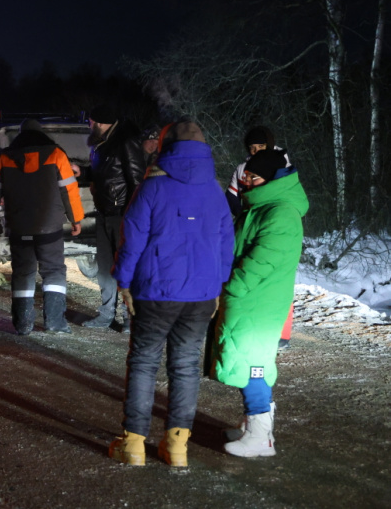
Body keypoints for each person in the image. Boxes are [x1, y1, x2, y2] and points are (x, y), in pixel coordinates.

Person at [107, 121, 234, 467]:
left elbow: (132, 239)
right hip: (201, 295)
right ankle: (177, 446)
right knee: (186, 365)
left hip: (155, 290)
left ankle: (133, 443)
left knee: (145, 362)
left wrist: (124, 282)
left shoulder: (152, 187)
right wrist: (218, 285)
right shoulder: (215, 190)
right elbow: (226, 244)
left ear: (167, 147)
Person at [214, 148, 308, 458]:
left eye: (252, 177)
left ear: (271, 178)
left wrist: (232, 287)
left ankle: (259, 436)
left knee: (253, 365)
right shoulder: (261, 207)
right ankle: (255, 429)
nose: (246, 183)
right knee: (249, 362)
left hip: (257, 301)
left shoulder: (280, 212)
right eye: (246, 177)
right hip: (252, 299)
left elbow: (261, 261)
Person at [0, 118, 84, 335]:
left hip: (18, 225)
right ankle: (55, 322)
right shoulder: (56, 154)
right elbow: (69, 189)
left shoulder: (4, 157)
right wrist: (76, 218)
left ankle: (23, 323)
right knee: (53, 270)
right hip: (50, 227)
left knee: (22, 272)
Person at [226, 126, 294, 349]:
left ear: (270, 144)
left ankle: (282, 333)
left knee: (278, 277)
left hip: (273, 224)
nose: (255, 151)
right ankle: (250, 326)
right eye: (252, 148)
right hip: (247, 223)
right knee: (250, 270)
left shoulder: (281, 164)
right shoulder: (242, 168)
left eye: (260, 147)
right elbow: (232, 196)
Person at [83, 104, 146, 331]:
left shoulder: (126, 141)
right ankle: (106, 314)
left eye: (90, 121)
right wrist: (83, 172)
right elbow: (104, 175)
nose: (89, 126)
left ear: (99, 122)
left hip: (122, 215)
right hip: (104, 213)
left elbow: (137, 181)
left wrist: (133, 216)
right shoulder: (102, 143)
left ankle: (130, 317)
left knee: (126, 267)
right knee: (105, 268)